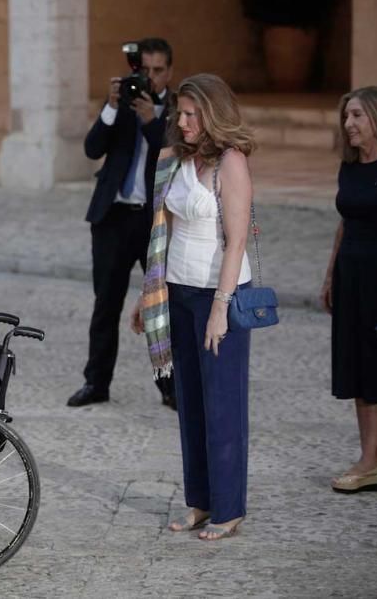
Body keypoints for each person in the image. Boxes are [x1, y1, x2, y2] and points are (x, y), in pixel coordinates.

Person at [132, 73, 255, 541]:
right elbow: (159, 235)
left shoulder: (232, 163)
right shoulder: (172, 160)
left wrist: (221, 308)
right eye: (179, 114)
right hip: (176, 294)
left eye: (190, 114)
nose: (181, 122)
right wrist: (148, 297)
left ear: (212, 114)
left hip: (217, 294)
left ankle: (229, 508)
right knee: (191, 407)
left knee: (223, 406)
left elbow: (237, 240)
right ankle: (200, 502)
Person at [69, 38, 176, 409]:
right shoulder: (122, 104)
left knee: (160, 307)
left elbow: (171, 155)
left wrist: (151, 120)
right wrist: (112, 108)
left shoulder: (178, 110)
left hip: (154, 223)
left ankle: (170, 387)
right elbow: (92, 149)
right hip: (112, 218)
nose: (150, 78)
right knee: (106, 306)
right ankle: (96, 383)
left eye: (158, 71)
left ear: (169, 72)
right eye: (143, 70)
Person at [320, 86, 377, 493]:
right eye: (346, 117)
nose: (349, 125)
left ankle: (375, 459)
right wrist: (329, 276)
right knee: (359, 368)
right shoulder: (350, 167)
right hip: (352, 276)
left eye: (357, 116)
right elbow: (344, 224)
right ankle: (370, 458)